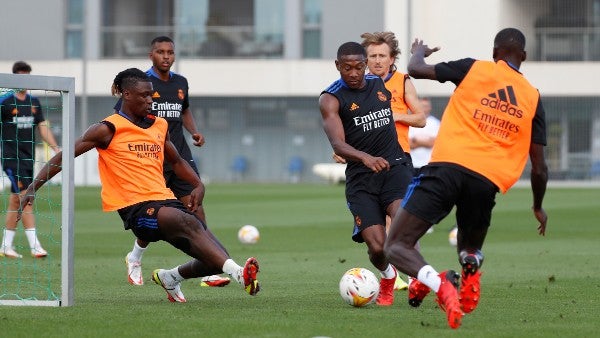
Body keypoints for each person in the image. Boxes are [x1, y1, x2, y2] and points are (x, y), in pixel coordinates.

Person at [19, 68, 260, 302]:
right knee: (186, 221)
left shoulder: (158, 125)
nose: (151, 99)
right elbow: (64, 157)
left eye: (152, 95)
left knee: (215, 258)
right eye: (144, 95)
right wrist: (33, 187)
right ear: (126, 94)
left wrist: (198, 185)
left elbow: (176, 161)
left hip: (165, 200)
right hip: (136, 209)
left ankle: (170, 277)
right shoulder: (107, 129)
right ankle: (240, 274)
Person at [384, 28, 548, 329]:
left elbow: (416, 70)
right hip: (486, 182)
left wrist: (419, 51)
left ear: (495, 52)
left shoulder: (475, 68)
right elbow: (539, 166)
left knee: (396, 244)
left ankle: (441, 285)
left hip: (447, 168)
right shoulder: (533, 97)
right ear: (523, 57)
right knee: (468, 249)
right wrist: (538, 206)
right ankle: (470, 263)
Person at [114, 36, 229, 287]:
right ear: (151, 55)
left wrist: (193, 130)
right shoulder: (140, 84)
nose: (166, 56)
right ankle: (135, 256)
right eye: (160, 52)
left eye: (170, 52)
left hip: (179, 154)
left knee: (196, 207)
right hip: (151, 158)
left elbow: (184, 109)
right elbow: (122, 117)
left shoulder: (180, 82)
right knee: (153, 215)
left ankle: (208, 266)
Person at [319, 42, 414, 306]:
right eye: (346, 68)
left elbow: (392, 63)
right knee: (377, 247)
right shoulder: (330, 98)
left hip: (395, 167)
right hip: (362, 178)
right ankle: (387, 276)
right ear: (338, 66)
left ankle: (419, 281)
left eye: (358, 67)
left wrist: (417, 56)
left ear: (365, 65)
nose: (353, 73)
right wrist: (365, 158)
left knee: (403, 224)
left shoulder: (379, 82)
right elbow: (338, 144)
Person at [0, 61, 61, 259]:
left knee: (15, 201)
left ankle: (5, 246)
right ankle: (35, 246)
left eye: (27, 76)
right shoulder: (5, 102)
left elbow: (42, 127)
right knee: (27, 199)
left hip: (28, 159)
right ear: (14, 78)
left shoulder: (34, 102)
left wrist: (55, 148)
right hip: (11, 158)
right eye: (20, 76)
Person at [408, 97, 440, 170]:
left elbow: (433, 143)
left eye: (426, 106)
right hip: (412, 163)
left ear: (430, 108)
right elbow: (408, 143)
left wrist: (415, 140)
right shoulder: (410, 122)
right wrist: (426, 141)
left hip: (429, 163)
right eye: (422, 106)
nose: (424, 108)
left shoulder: (436, 123)